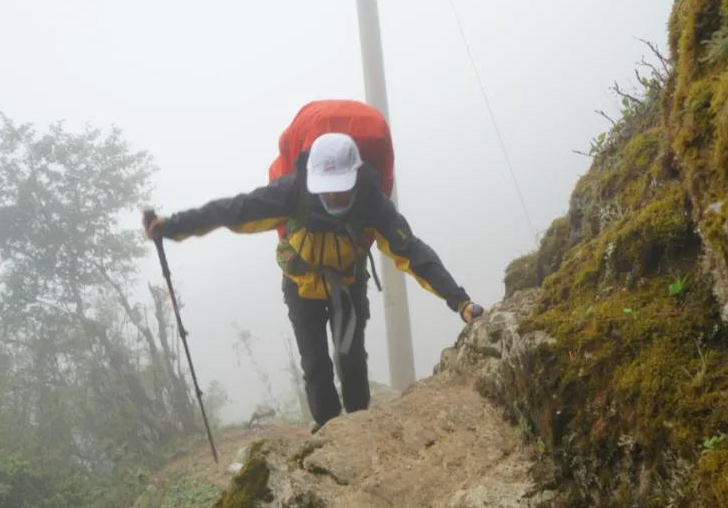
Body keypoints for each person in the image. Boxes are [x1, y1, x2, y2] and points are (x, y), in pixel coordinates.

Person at [144, 132, 481, 432]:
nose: (332, 196)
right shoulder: (293, 192)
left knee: (351, 360)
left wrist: (460, 302)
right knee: (315, 364)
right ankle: (327, 428)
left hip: (347, 287)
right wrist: (172, 226)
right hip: (301, 287)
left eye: (340, 188)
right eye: (326, 189)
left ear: (355, 177)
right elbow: (234, 210)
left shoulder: (371, 203)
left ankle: (360, 427)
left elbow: (413, 253)